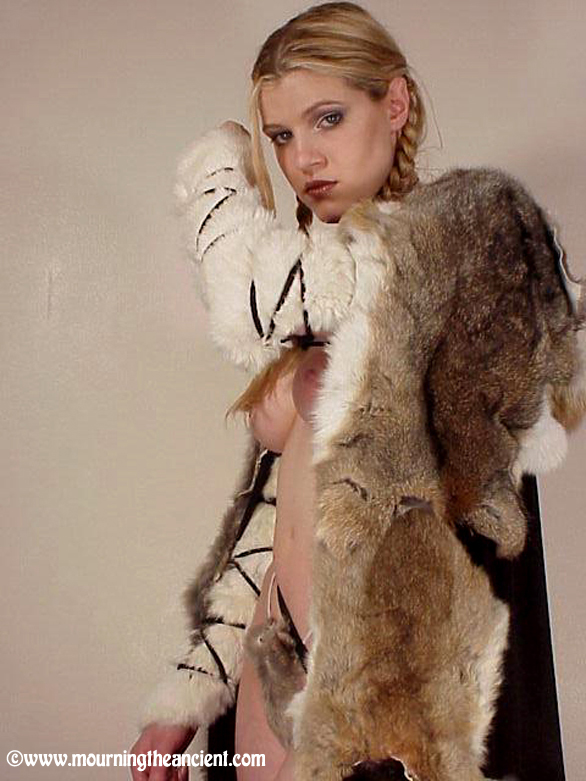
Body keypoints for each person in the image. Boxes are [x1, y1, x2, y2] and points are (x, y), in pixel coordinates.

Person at [131, 3, 566, 780]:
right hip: (277, 662)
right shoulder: (318, 309)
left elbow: (247, 294)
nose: (304, 158)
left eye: (327, 118)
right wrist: (190, 694)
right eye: (280, 136)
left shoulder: (456, 258)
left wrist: (217, 175)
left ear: (393, 104)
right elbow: (274, 524)